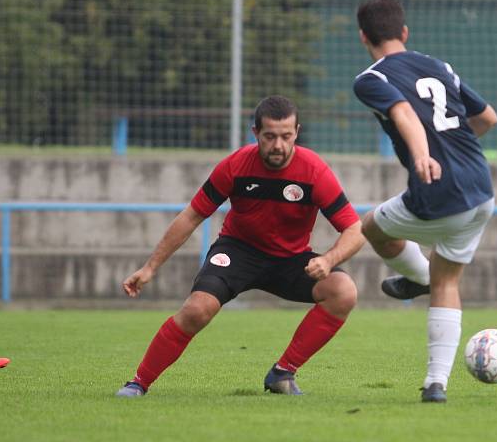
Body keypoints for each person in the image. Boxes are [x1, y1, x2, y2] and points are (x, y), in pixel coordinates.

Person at [116, 95, 365, 397]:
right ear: (255, 132)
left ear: (297, 132)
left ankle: (283, 372)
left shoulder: (314, 172)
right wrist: (150, 267)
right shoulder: (235, 165)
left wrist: (328, 259)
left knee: (343, 291)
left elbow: (354, 228)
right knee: (197, 310)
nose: (278, 145)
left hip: (290, 260)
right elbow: (193, 215)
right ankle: (138, 382)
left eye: (286, 136)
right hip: (238, 252)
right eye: (270, 136)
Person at [353, 0, 497, 403]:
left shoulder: (371, 79)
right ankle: (436, 384)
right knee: (447, 280)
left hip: (438, 192)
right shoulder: (440, 67)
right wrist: (455, 148)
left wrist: (423, 155)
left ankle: (417, 277)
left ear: (363, 37)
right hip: (482, 190)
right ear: (404, 32)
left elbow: (403, 113)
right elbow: (488, 119)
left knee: (371, 227)